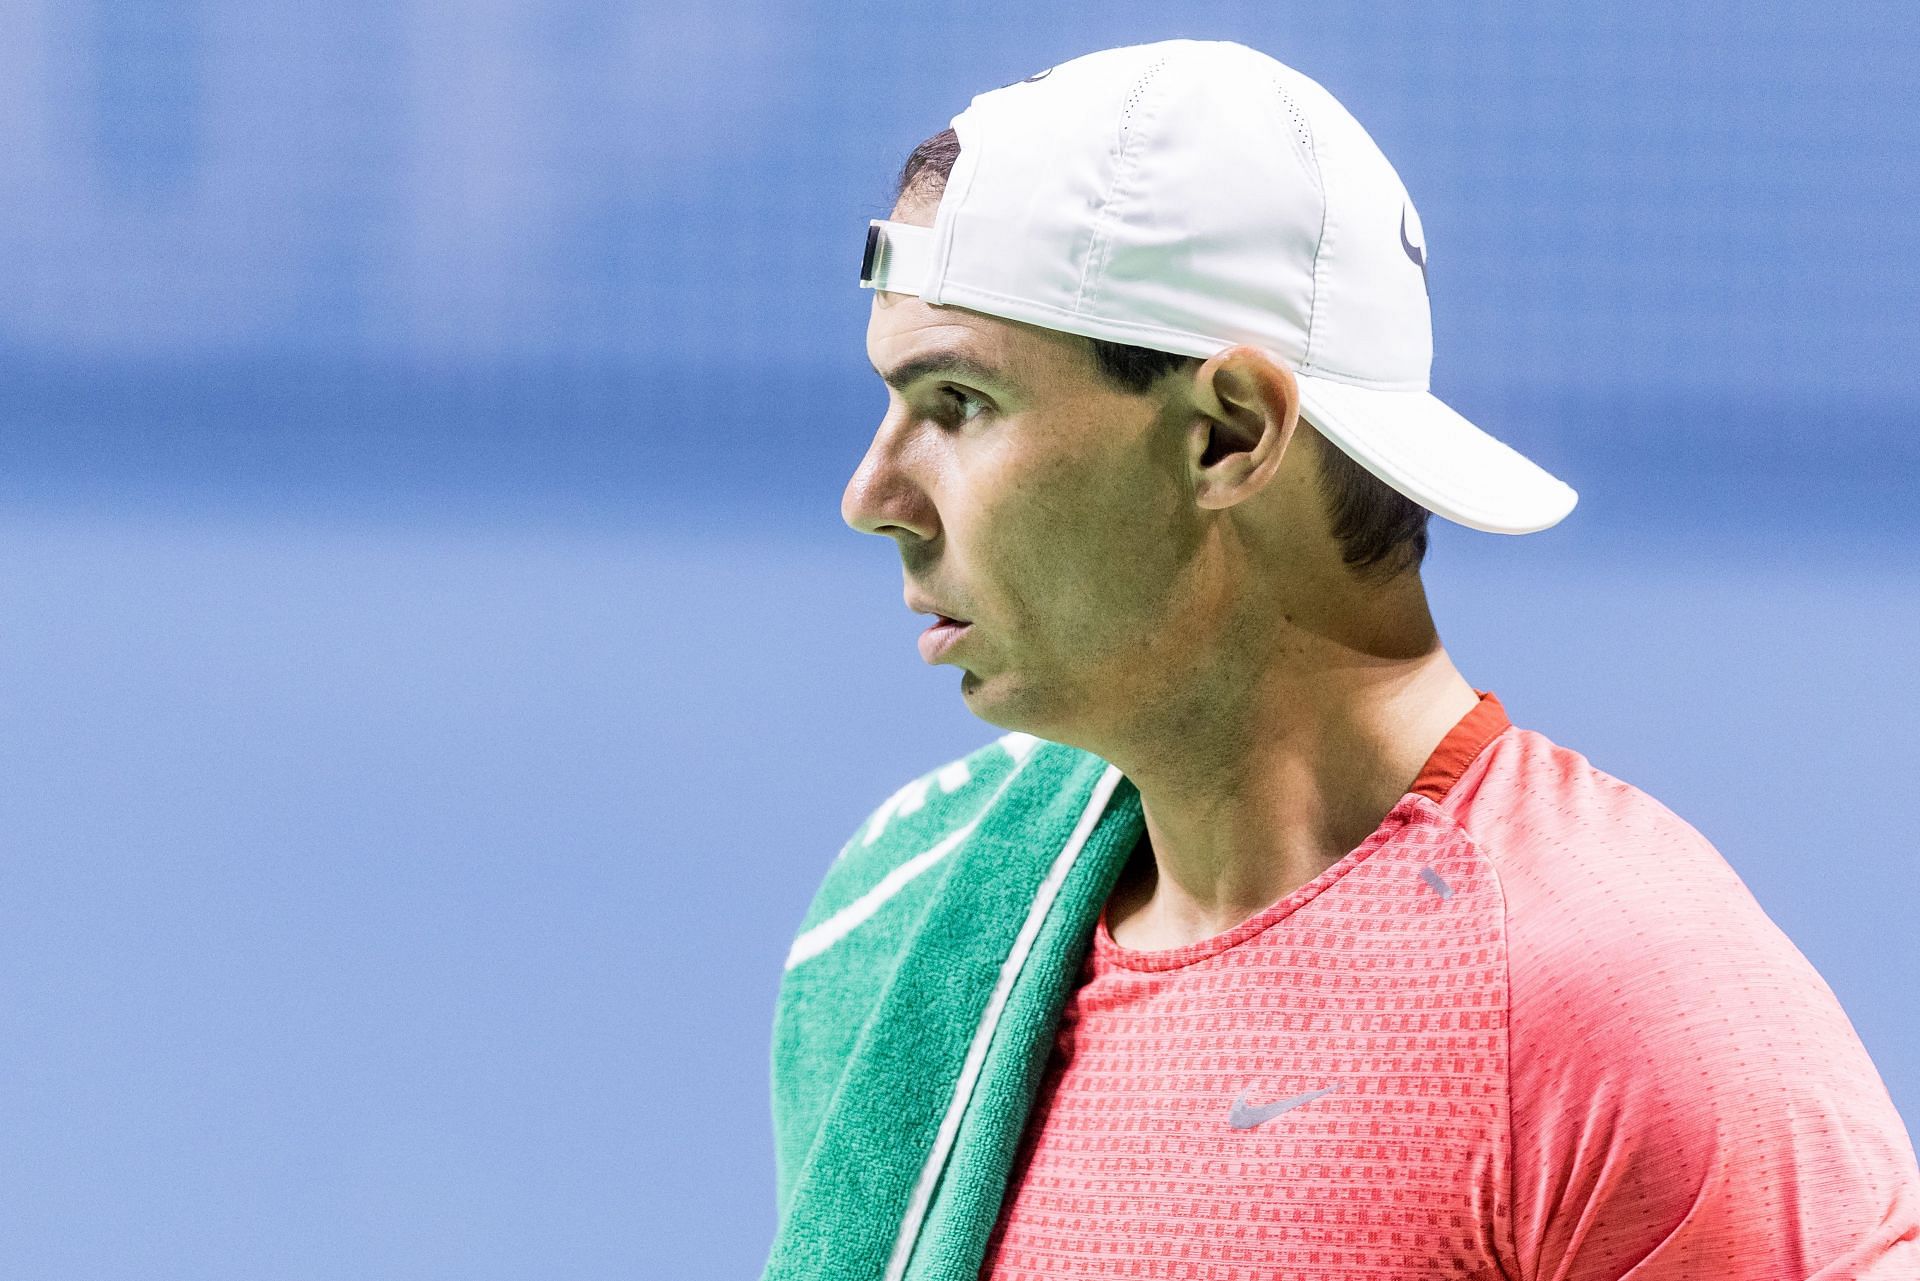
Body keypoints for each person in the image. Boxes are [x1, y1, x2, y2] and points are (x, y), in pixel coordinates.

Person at [761, 38, 1920, 1281]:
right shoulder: (905, 930)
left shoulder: (1624, 1008)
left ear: (1227, 434)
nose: (872, 493)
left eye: (957, 404)